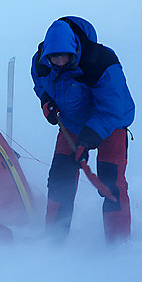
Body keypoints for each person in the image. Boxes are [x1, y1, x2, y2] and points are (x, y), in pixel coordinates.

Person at [31, 16, 135, 243]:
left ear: (74, 49)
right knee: (60, 179)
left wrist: (87, 140)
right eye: (54, 57)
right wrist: (46, 100)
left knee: (111, 183)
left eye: (63, 56)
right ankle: (54, 240)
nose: (58, 61)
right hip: (72, 126)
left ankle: (118, 245)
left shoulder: (101, 63)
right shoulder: (41, 62)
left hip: (111, 126)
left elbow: (111, 109)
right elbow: (39, 83)